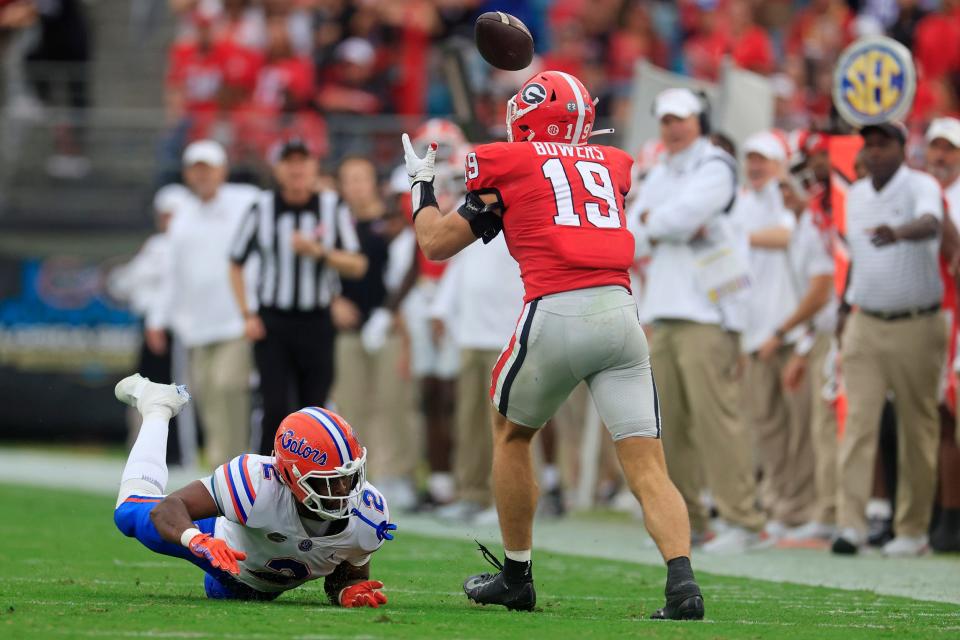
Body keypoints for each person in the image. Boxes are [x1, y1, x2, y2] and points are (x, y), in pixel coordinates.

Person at [402, 71, 703, 620]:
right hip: (621, 313)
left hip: (558, 306)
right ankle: (682, 583)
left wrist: (422, 186)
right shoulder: (612, 166)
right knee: (646, 463)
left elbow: (435, 243)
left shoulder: (507, 163)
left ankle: (517, 576)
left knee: (511, 434)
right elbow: (554, 188)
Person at [112, 373, 394, 603]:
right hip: (219, 544)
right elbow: (168, 509)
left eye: (349, 475)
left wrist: (348, 590)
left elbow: (346, 575)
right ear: (289, 475)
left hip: (251, 588)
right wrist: (196, 540)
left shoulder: (369, 515)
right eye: (328, 480)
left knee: (224, 595)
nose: (344, 488)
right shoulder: (256, 484)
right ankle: (157, 407)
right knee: (127, 514)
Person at [630, 88, 765, 553]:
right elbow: (636, 232)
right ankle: (690, 522)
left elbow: (681, 218)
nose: (672, 127)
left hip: (709, 311)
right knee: (671, 426)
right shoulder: (661, 170)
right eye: (665, 120)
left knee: (717, 421)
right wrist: (658, 222)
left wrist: (654, 220)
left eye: (680, 119)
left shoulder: (717, 163)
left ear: (699, 120)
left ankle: (743, 520)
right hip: (664, 310)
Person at [833, 122, 947, 557]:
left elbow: (930, 222)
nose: (875, 152)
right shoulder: (858, 194)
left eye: (884, 144)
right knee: (857, 422)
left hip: (917, 322)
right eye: (870, 144)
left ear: (903, 148)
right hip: (867, 319)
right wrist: (845, 308)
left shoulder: (919, 184)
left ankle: (912, 529)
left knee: (917, 427)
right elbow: (859, 260)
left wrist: (898, 233)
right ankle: (850, 524)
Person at [228, 138, 367, 456]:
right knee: (273, 405)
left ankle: (310, 480)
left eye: (302, 161)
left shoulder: (332, 206)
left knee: (314, 409)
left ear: (314, 167)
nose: (297, 169)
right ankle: (264, 476)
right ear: (278, 169)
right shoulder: (261, 208)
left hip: (316, 321)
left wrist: (318, 252)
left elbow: (356, 264)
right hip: (273, 320)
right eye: (289, 162)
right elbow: (235, 262)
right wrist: (247, 314)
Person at [146, 140, 260, 467]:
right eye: (196, 170)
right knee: (208, 399)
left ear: (222, 170)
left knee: (229, 389)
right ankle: (219, 470)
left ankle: (237, 468)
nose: (203, 176)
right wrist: (158, 317)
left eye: (208, 169)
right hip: (196, 327)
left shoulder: (247, 201)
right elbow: (171, 271)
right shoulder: (182, 215)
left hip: (236, 321)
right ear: (187, 174)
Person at [731, 131, 814, 538]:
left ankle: (799, 508)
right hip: (755, 332)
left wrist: (740, 238)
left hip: (792, 332)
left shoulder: (784, 202)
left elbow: (787, 236)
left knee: (800, 429)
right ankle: (781, 505)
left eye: (764, 159)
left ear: (781, 163)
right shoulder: (745, 202)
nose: (756, 165)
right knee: (768, 428)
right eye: (752, 159)